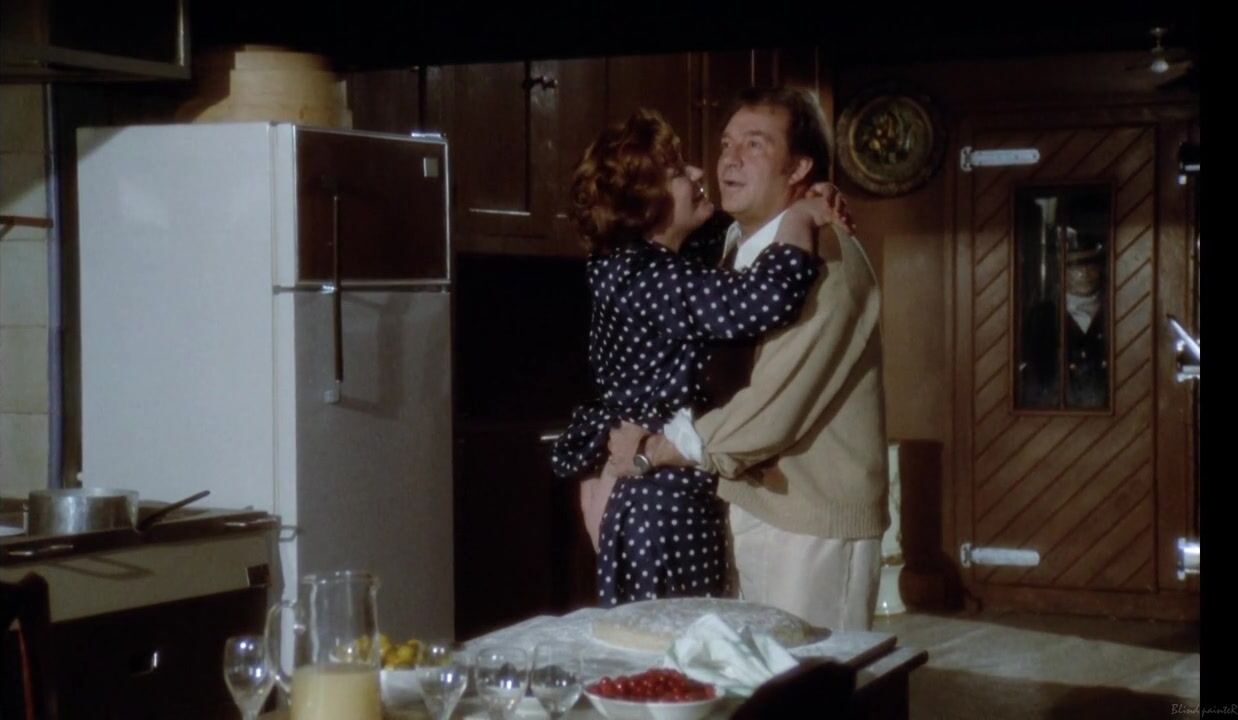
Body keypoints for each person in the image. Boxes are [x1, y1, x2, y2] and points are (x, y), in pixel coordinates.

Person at [606, 87, 889, 631]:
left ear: (799, 166)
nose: (729, 160)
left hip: (811, 523)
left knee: (810, 673)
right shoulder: (737, 244)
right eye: (726, 144)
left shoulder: (826, 260)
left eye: (755, 145)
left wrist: (653, 451)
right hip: (753, 503)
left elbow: (771, 407)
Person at [550, 108, 847, 607]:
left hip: (658, 486)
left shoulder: (649, 261)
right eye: (676, 171)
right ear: (646, 202)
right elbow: (765, 297)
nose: (697, 172)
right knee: (680, 643)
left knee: (685, 638)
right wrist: (799, 217)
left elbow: (736, 228)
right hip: (661, 499)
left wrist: (808, 192)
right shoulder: (643, 275)